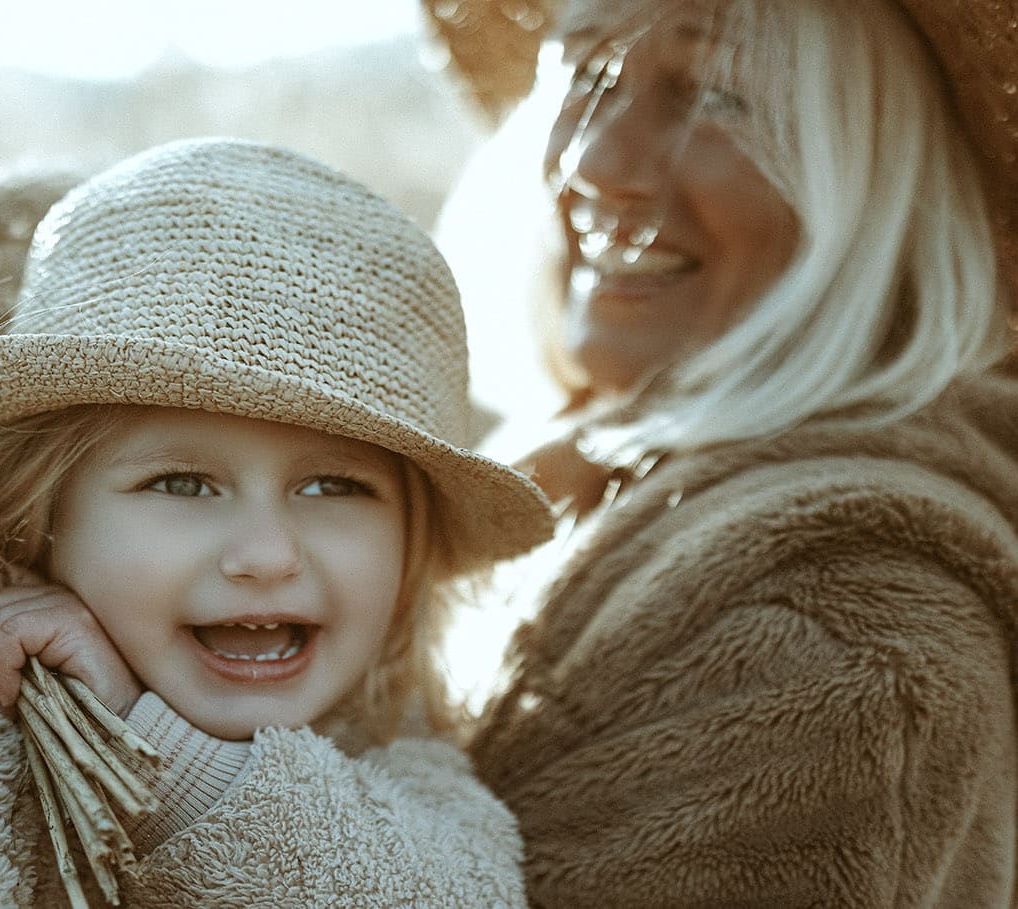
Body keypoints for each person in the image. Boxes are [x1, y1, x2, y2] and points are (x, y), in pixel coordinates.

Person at [0, 137, 556, 907]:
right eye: (184, 483)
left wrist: (137, 734)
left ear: (411, 541)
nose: (267, 555)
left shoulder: (397, 738)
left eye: (332, 486)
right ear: (35, 515)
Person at [422, 0, 1018, 904]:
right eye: (588, 75)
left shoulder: (832, 638)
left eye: (715, 95)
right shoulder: (573, 473)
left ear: (882, 173)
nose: (595, 163)